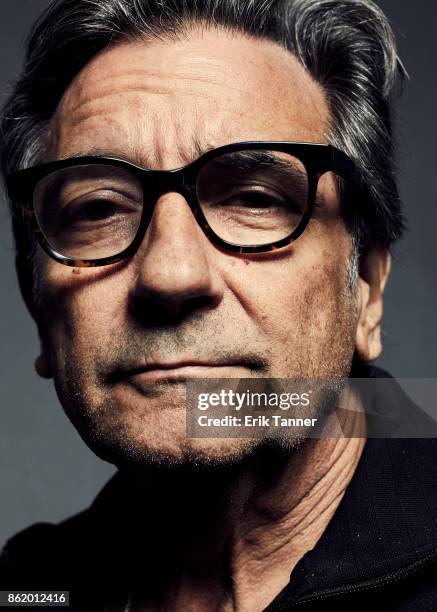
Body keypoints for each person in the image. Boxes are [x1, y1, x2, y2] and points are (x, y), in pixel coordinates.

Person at [1, 0, 437, 610]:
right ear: (38, 306)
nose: (170, 274)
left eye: (254, 198)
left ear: (366, 287)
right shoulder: (27, 587)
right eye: (98, 209)